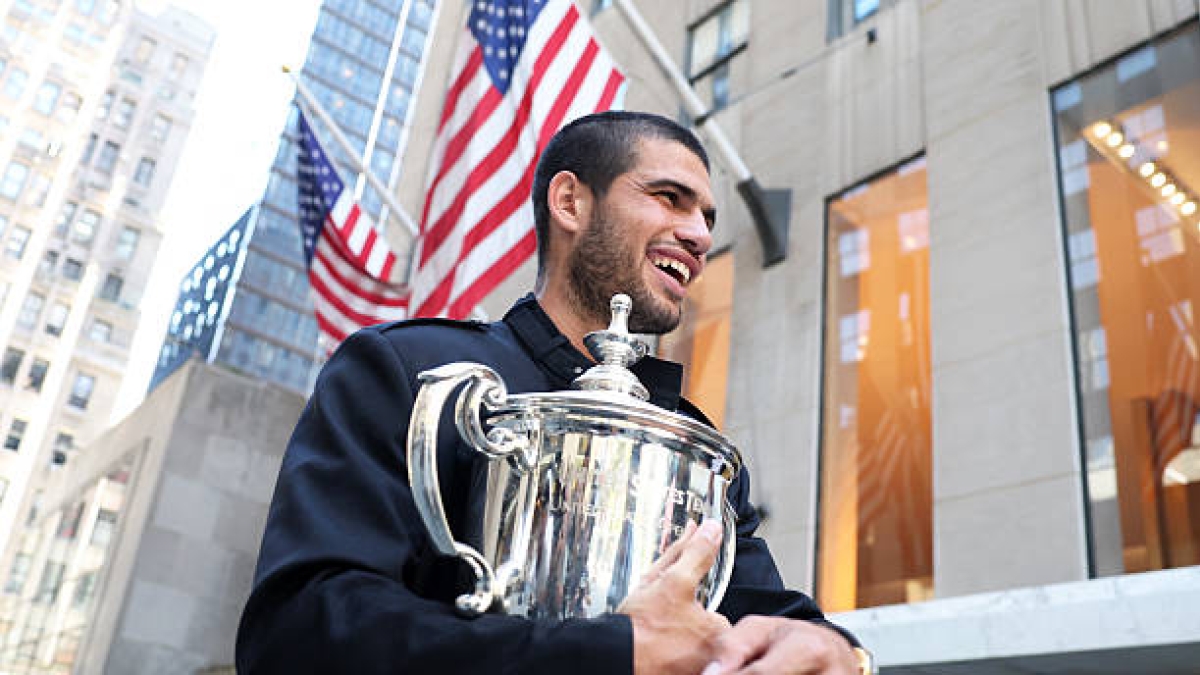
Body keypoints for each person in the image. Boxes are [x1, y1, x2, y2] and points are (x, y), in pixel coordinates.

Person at [237, 111, 867, 675]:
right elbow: (299, 632)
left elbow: (768, 613)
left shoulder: (697, 449)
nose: (700, 234)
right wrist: (612, 654)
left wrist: (834, 648)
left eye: (706, 216)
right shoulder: (404, 368)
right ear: (570, 202)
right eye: (670, 199)